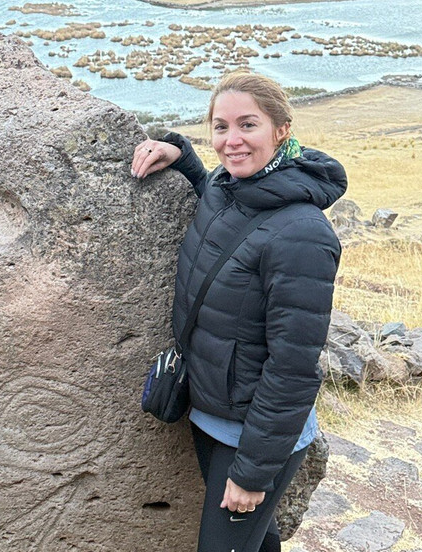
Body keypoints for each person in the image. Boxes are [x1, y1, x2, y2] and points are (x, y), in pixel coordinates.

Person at [131, 70, 346, 552]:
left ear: (281, 130)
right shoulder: (230, 190)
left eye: (248, 125)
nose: (232, 141)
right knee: (256, 541)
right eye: (221, 127)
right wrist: (180, 154)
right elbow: (228, 218)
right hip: (210, 413)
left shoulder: (303, 235)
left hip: (253, 435)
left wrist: (251, 473)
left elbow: (292, 368)